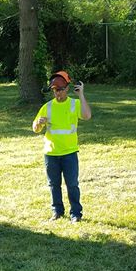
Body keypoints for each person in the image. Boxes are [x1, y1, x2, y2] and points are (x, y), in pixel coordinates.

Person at [32, 70, 92, 222]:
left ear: (66, 88)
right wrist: (38, 124)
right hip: (51, 153)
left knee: (72, 185)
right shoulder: (48, 107)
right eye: (54, 90)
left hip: (69, 153)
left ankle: (76, 214)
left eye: (60, 89)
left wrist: (81, 95)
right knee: (53, 185)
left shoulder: (74, 104)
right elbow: (35, 128)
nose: (57, 93)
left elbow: (86, 116)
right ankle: (57, 211)